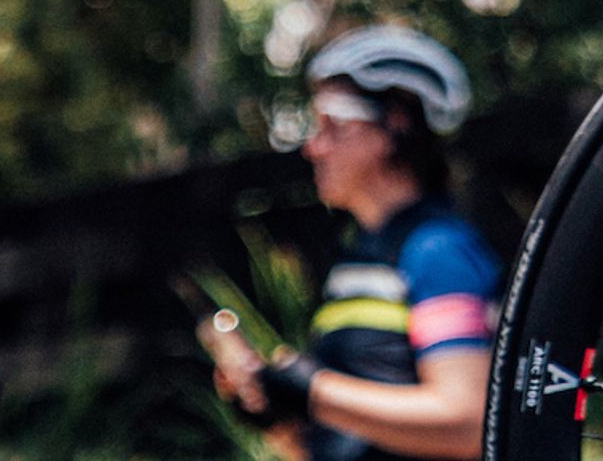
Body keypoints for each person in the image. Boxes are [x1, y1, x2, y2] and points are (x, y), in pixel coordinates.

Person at [205, 26, 500, 461]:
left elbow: (468, 423)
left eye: (333, 125)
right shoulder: (357, 260)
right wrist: (274, 412)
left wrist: (312, 392)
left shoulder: (437, 251)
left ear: (394, 126)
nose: (313, 147)